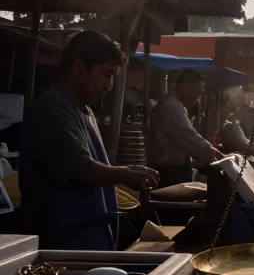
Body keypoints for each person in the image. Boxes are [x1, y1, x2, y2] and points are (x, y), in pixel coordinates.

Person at [19, 30, 159, 250]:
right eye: (106, 74)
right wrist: (128, 173)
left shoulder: (84, 110)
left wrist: (128, 172)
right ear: (78, 68)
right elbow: (83, 170)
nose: (109, 85)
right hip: (60, 247)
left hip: (88, 240)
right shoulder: (53, 109)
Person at [147, 69, 223, 188]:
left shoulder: (174, 105)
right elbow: (190, 137)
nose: (197, 97)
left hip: (173, 172)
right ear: (184, 87)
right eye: (197, 92)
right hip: (170, 175)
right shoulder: (170, 106)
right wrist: (218, 155)